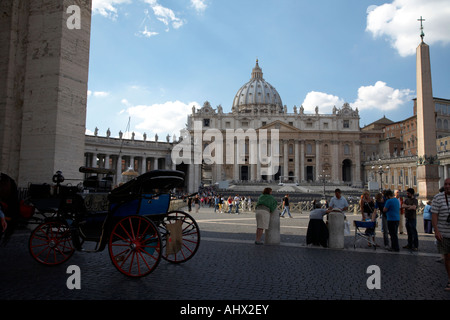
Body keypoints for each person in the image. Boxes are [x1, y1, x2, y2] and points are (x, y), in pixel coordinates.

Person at [431, 178, 450, 291]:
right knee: (447, 257)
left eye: (449, 184)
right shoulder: (438, 197)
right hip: (443, 233)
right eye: (446, 184)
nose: (447, 186)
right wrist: (436, 230)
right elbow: (434, 215)